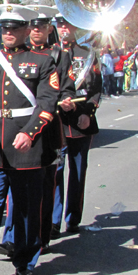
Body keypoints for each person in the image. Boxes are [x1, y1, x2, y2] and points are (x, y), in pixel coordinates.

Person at [0, 4, 57, 275]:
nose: (8, 33)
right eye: (4, 28)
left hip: (27, 148)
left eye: (14, 28)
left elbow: (47, 104)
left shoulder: (42, 61)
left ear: (26, 30)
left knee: (26, 207)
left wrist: (30, 132)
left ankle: (25, 259)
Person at [53, 14, 102, 235]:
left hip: (80, 121)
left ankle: (73, 217)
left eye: (67, 24)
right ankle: (53, 221)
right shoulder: (50, 53)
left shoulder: (88, 54)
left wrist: (88, 113)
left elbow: (96, 88)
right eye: (60, 24)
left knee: (78, 172)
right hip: (56, 121)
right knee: (55, 171)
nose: (64, 28)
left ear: (75, 26)